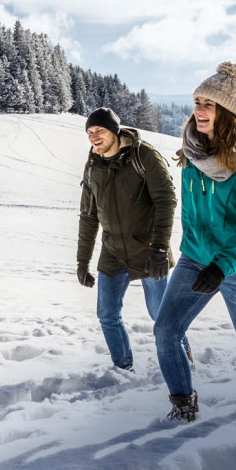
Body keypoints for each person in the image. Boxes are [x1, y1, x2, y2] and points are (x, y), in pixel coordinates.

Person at [153, 61, 236, 422]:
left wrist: (222, 265)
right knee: (165, 331)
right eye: (196, 102)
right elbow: (189, 212)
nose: (199, 110)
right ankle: (183, 404)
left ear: (227, 112)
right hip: (195, 258)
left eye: (208, 103)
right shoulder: (192, 152)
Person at [76, 107, 190, 371]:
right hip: (112, 251)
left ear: (114, 131)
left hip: (148, 249)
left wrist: (160, 247)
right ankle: (123, 368)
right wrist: (83, 261)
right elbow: (88, 215)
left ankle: (184, 354)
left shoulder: (144, 155)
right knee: (106, 315)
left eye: (99, 131)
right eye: (89, 132)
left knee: (161, 317)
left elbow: (166, 199)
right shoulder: (93, 163)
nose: (93, 137)